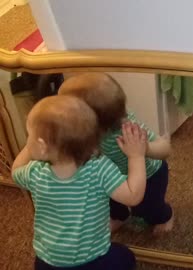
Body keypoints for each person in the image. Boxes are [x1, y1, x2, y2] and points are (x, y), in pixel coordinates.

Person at [11, 95, 147, 270]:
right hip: (94, 261)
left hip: (48, 261)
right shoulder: (100, 169)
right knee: (126, 257)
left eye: (29, 136)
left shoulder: (35, 173)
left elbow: (15, 171)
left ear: (42, 146)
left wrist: (32, 148)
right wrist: (136, 156)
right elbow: (133, 196)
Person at [58, 73, 173, 234]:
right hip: (112, 175)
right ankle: (120, 216)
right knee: (110, 200)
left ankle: (165, 216)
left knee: (148, 207)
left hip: (149, 175)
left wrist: (144, 148)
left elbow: (165, 148)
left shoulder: (127, 127)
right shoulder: (82, 131)